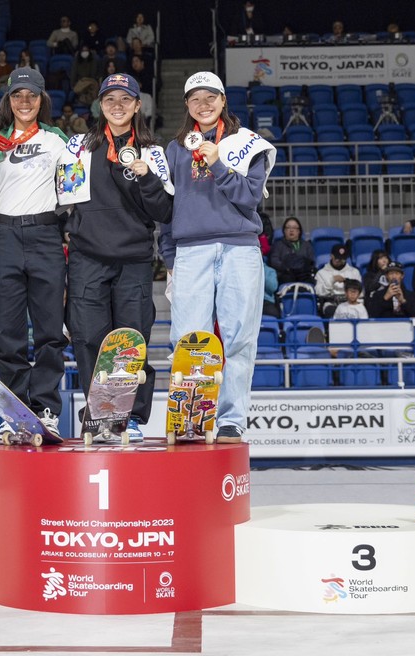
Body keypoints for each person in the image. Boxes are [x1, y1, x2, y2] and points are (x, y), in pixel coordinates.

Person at [158, 71, 275, 443]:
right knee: (188, 339)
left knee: (240, 338)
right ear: (187, 106)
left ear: (224, 101)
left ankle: (231, 419)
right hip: (191, 250)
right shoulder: (175, 148)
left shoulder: (247, 144)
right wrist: (170, 256)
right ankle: (192, 414)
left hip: (240, 249)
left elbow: (249, 199)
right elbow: (167, 208)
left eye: (211, 97)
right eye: (195, 99)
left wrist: (218, 163)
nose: (203, 105)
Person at [56, 72, 173, 441]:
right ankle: (99, 416)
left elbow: (164, 210)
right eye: (110, 100)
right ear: (100, 105)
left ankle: (131, 417)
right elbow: (63, 198)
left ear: (138, 105)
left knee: (131, 339)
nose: (117, 106)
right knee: (89, 338)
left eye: (125, 100)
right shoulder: (78, 145)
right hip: (87, 256)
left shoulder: (153, 152)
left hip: (134, 259)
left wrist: (146, 177)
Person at [0, 67, 69, 439]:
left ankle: (47, 407)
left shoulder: (57, 140)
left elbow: (75, 186)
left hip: (45, 232)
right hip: (2, 233)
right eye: (17, 95)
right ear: (8, 100)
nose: (24, 102)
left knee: (51, 327)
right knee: (7, 329)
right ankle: (16, 409)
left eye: (31, 96)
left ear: (41, 100)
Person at [314, 243, 361, 315]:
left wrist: (349, 284)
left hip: (350, 303)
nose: (340, 261)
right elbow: (319, 292)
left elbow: (360, 292)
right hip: (331, 303)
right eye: (338, 258)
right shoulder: (322, 273)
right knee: (332, 311)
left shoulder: (354, 272)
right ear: (331, 256)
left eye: (343, 259)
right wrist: (331, 281)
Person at [268, 216, 315, 284]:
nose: (291, 230)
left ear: (299, 231)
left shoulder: (306, 245)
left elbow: (312, 261)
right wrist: (286, 267)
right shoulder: (278, 245)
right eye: (288, 227)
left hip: (303, 275)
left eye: (294, 228)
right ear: (284, 230)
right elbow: (274, 261)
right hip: (285, 274)